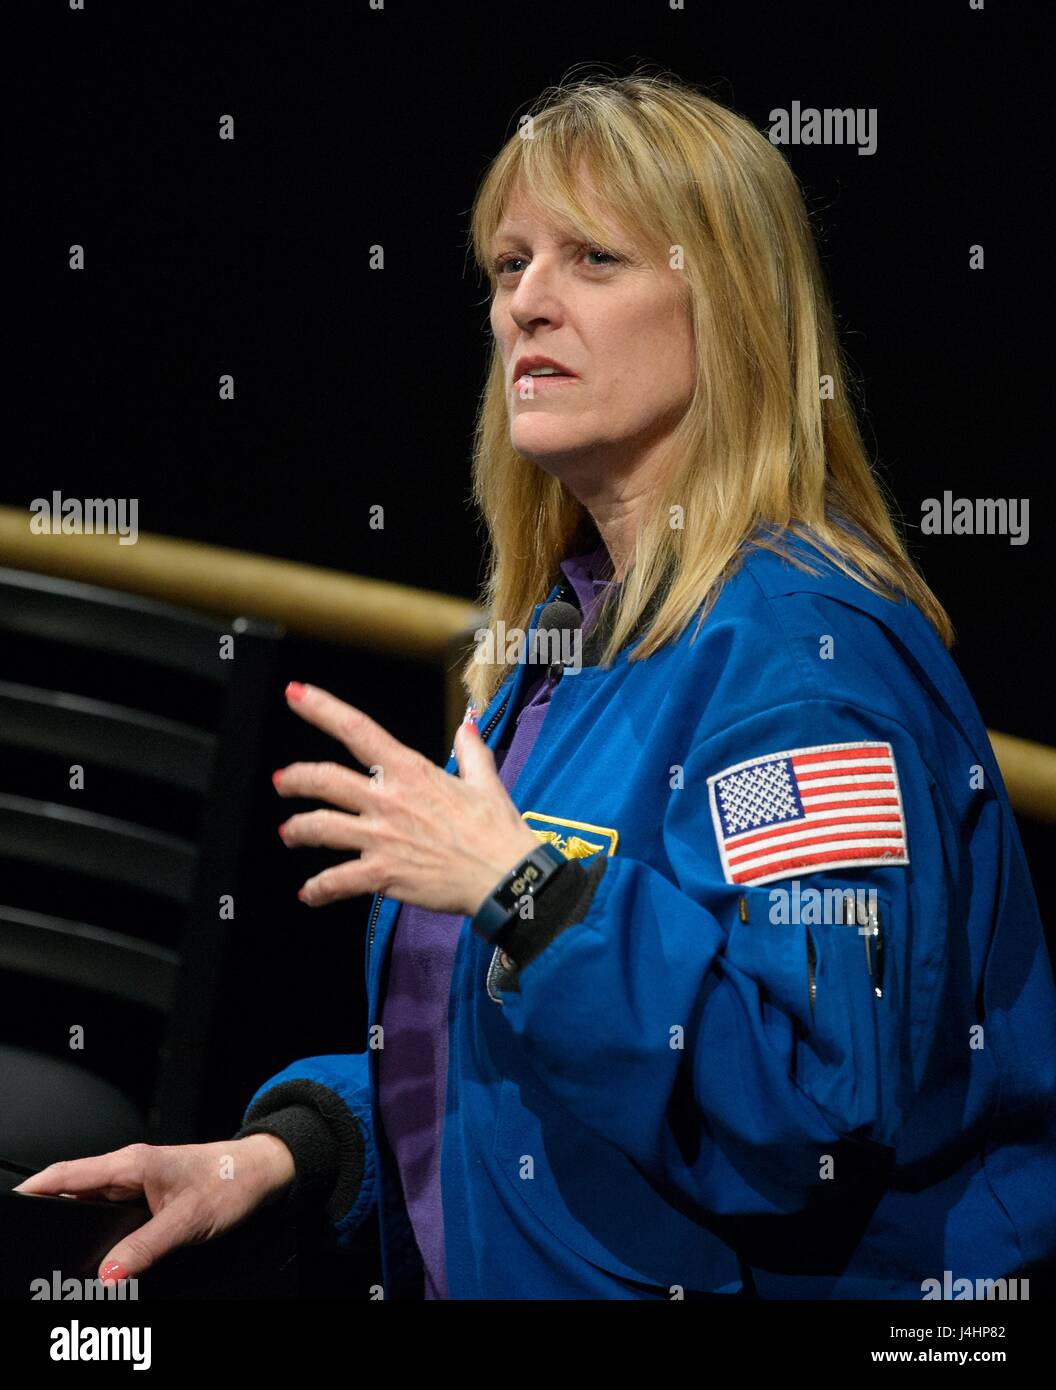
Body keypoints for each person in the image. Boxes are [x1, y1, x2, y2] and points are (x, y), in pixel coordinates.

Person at [14, 72, 1055, 1299]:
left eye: (594, 259)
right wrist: (295, 1152)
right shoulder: (574, 634)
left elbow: (812, 1116)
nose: (527, 306)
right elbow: (541, 1056)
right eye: (510, 265)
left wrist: (527, 893)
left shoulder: (797, 668)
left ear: (733, 309)